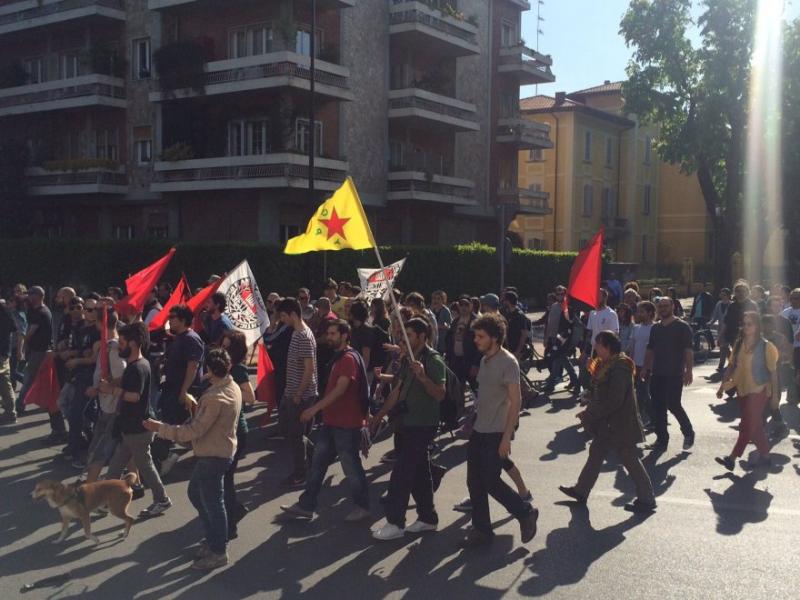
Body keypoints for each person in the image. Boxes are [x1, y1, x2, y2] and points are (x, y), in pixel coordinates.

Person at [144, 348, 242, 571]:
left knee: (213, 503)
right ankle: (214, 540)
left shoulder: (215, 397)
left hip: (213, 455)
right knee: (198, 494)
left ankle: (218, 549)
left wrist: (160, 428)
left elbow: (193, 431)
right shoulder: (231, 387)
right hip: (218, 451)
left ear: (209, 369)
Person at [280, 320, 371, 522]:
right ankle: (306, 505)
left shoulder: (347, 358)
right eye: (328, 333)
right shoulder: (340, 357)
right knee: (318, 464)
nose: (328, 337)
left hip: (346, 424)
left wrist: (314, 409)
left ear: (345, 335)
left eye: (332, 333)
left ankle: (362, 506)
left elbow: (341, 389)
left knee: (351, 468)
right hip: (331, 422)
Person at [462, 313, 539, 546]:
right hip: (479, 429)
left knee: (490, 481)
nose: (476, 340)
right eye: (475, 335)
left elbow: (516, 402)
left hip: (497, 431)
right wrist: (471, 420)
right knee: (474, 482)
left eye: (480, 336)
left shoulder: (508, 362)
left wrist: (506, 438)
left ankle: (525, 512)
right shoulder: (485, 360)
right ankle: (482, 530)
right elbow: (484, 397)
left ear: (494, 338)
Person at [559, 331, 656, 513]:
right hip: (609, 423)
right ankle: (581, 490)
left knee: (629, 457)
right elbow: (602, 390)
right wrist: (589, 395)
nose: (595, 347)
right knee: (596, 452)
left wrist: (590, 414)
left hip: (619, 423)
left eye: (598, 344)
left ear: (607, 346)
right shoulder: (607, 364)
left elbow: (615, 400)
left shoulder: (620, 366)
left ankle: (647, 499)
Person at [370, 317, 446, 541]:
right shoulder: (407, 360)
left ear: (423, 337)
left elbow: (440, 394)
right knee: (420, 474)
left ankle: (395, 522)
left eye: (410, 336)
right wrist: (379, 416)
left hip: (423, 424)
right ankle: (427, 518)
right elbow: (397, 392)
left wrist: (423, 376)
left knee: (401, 473)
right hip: (405, 422)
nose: (405, 339)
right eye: (404, 336)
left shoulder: (433, 360)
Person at [105, 323, 172, 518]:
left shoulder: (137, 368)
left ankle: (161, 499)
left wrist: (112, 390)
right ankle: (105, 498)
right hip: (130, 427)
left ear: (133, 344)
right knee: (116, 465)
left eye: (123, 342)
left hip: (137, 428)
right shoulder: (138, 365)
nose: (119, 346)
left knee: (145, 467)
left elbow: (134, 396)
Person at [714, 312, 778, 471]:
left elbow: (773, 373)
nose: (746, 327)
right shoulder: (739, 343)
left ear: (757, 326)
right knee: (754, 426)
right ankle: (765, 456)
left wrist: (775, 396)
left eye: (750, 324)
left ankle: (732, 458)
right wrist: (723, 386)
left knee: (747, 425)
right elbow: (731, 366)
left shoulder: (766, 346)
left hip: (759, 390)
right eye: (744, 324)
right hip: (742, 390)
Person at [153, 304, 205, 476]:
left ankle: (162, 459)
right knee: (175, 423)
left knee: (168, 424)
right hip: (171, 388)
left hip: (181, 390)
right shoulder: (180, 338)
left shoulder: (191, 338)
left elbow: (193, 366)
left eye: (173, 317)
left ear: (183, 320)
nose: (169, 320)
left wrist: (184, 391)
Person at [642, 297, 695, 451]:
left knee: (673, 404)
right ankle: (661, 440)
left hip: (675, 373)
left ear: (672, 306)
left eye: (666, 306)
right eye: (660, 306)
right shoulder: (655, 328)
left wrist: (689, 370)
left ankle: (688, 432)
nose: (663, 309)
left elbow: (688, 350)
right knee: (658, 407)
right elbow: (650, 349)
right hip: (657, 373)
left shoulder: (682, 327)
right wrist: (645, 368)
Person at [277, 297, 318, 487]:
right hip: (293, 392)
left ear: (293, 314)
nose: (282, 320)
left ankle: (300, 473)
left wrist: (298, 394)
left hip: (300, 396)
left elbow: (309, 369)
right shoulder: (297, 333)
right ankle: (317, 456)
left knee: (296, 435)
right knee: (295, 434)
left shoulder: (303, 335)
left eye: (284, 316)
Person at [84, 307, 126, 482]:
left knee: (100, 449)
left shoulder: (114, 348)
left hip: (112, 406)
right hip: (106, 405)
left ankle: (90, 486)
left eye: (96, 321)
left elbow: (121, 376)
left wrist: (99, 388)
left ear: (103, 323)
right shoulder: (106, 345)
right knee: (124, 450)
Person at [220, 330, 256, 539]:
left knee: (225, 479)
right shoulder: (221, 367)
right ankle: (234, 512)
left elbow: (250, 397)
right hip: (223, 430)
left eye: (226, 347)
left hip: (236, 431)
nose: (222, 350)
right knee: (224, 478)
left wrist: (228, 385)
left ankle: (230, 523)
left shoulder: (239, 370)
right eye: (221, 346)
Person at [628, 301, 655, 425]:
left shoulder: (655, 328)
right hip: (636, 366)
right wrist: (630, 363)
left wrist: (646, 367)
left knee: (644, 393)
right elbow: (632, 347)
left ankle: (653, 418)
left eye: (642, 311)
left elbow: (654, 350)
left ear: (650, 313)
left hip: (648, 367)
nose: (639, 313)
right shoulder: (636, 328)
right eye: (638, 311)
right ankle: (639, 418)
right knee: (638, 393)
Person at [445, 296, 480, 389]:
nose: (463, 307)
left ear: (471, 306)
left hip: (470, 360)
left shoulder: (477, 322)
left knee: (475, 389)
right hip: (456, 361)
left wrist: (476, 364)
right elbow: (449, 340)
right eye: (461, 305)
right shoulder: (455, 322)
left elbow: (480, 345)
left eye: (466, 304)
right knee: (457, 389)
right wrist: (448, 357)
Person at [707, 288, 732, 381]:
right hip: (720, 328)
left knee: (724, 347)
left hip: (730, 329)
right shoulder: (718, 304)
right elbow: (715, 315)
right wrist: (711, 322)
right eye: (721, 294)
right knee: (723, 347)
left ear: (728, 295)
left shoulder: (731, 304)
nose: (722, 296)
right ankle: (730, 362)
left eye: (724, 294)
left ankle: (723, 364)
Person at [0, 300, 18, 423]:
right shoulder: (5, 309)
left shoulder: (4, 310)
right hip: (4, 351)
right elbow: (13, 328)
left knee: (5, 382)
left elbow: (13, 328)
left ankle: (10, 412)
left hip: (1, 351)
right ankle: (10, 412)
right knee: (5, 382)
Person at [781, 289, 800, 403]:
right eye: (792, 298)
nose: (794, 300)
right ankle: (792, 395)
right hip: (787, 346)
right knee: (790, 371)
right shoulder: (785, 312)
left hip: (798, 346)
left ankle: (795, 395)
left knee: (797, 371)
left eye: (797, 298)